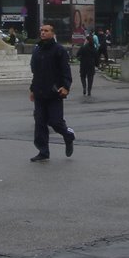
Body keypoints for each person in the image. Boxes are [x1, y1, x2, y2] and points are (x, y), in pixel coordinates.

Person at [29, 22, 75, 162]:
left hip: (55, 92)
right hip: (39, 92)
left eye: (46, 30)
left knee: (55, 122)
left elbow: (65, 71)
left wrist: (66, 87)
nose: (43, 32)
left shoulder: (59, 50)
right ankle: (43, 151)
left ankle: (68, 135)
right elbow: (35, 72)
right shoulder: (37, 49)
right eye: (41, 30)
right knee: (40, 123)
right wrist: (32, 89)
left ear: (52, 33)